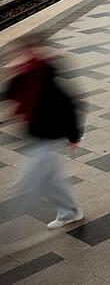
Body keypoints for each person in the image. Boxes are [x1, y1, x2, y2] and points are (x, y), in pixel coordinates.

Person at [3, 35, 84, 232]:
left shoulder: (47, 78)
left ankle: (6, 229)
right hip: (38, 135)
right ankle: (70, 211)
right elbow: (10, 93)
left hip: (49, 135)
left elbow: (70, 107)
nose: (20, 56)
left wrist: (74, 137)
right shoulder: (24, 75)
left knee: (27, 184)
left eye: (25, 52)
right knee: (50, 180)